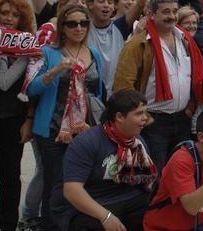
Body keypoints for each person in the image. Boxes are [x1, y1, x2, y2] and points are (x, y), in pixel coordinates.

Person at [27, 3, 104, 231]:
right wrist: (55, 70)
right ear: (62, 27)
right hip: (53, 128)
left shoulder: (94, 54)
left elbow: (97, 91)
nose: (78, 28)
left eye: (83, 23)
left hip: (84, 128)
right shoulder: (48, 53)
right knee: (54, 182)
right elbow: (31, 89)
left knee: (83, 181)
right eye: (72, 23)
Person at [113, 0, 203, 172]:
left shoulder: (185, 39)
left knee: (181, 171)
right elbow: (123, 86)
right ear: (152, 14)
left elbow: (195, 77)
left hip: (182, 119)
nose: (171, 16)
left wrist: (191, 106)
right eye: (166, 12)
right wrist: (144, 117)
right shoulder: (138, 44)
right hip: (154, 122)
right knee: (155, 175)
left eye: (174, 11)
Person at [61, 90, 155, 231]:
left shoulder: (138, 142)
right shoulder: (87, 142)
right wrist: (106, 217)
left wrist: (152, 183)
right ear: (119, 117)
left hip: (133, 198)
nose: (145, 118)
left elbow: (148, 182)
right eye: (138, 114)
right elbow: (71, 190)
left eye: (145, 113)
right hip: (99, 202)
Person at [0, 0, 38, 231]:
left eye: (15, 14)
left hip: (15, 118)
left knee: (10, 177)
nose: (9, 18)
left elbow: (19, 85)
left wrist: (28, 119)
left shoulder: (28, 47)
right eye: (4, 13)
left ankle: (8, 225)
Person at [88, 0, 152, 94]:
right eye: (101, 1)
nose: (106, 5)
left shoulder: (119, 26)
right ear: (90, 5)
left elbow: (140, 4)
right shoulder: (81, 27)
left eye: (109, 2)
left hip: (115, 92)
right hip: (90, 92)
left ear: (114, 7)